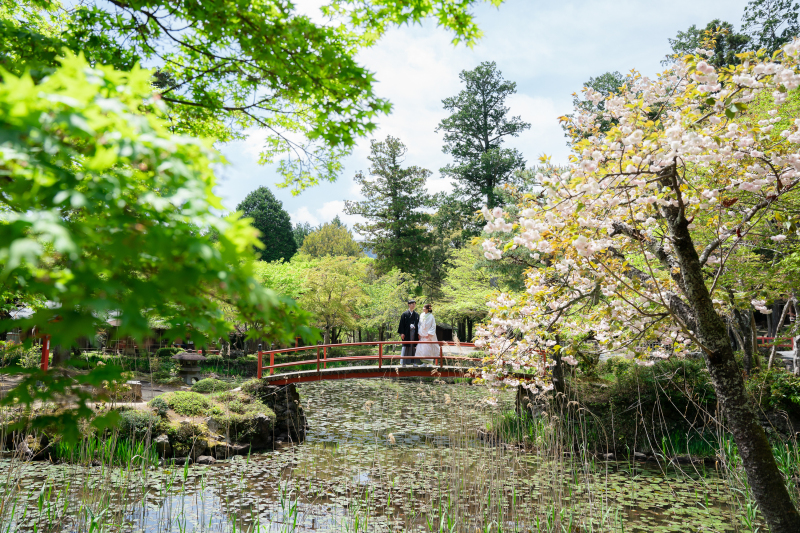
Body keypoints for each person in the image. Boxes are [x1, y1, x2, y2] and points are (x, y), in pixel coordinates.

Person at [397, 299, 419, 365]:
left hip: (414, 333)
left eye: (414, 304)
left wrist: (418, 333)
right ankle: (403, 362)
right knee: (405, 346)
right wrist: (402, 333)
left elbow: (419, 325)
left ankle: (414, 363)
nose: (414, 305)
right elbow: (401, 324)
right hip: (406, 333)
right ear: (409, 305)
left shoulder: (417, 315)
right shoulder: (404, 314)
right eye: (412, 304)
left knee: (414, 347)